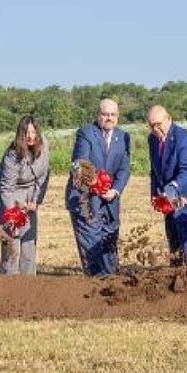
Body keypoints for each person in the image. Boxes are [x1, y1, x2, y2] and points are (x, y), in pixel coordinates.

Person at [67, 99, 131, 276]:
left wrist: (115, 190)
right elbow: (81, 162)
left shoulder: (123, 137)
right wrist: (96, 183)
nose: (109, 118)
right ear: (98, 115)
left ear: (118, 116)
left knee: (109, 246)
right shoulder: (86, 133)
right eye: (105, 114)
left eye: (113, 114)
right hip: (86, 200)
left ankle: (111, 282)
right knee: (92, 247)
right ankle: (96, 284)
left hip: (110, 201)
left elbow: (124, 169)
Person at [147, 105, 187, 265]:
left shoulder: (183, 138)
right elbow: (154, 170)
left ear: (169, 119)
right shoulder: (152, 139)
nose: (156, 129)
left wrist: (172, 187)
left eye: (159, 124)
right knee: (174, 246)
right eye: (152, 125)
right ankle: (175, 276)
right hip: (169, 197)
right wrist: (154, 194)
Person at [0, 116, 50, 275]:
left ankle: (28, 279)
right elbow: (6, 187)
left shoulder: (43, 145)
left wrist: (36, 201)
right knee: (13, 237)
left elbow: (43, 176)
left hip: (29, 191)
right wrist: (12, 213)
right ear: (20, 134)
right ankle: (10, 277)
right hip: (5, 193)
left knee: (29, 236)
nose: (30, 136)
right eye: (26, 133)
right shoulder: (13, 154)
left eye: (33, 132)